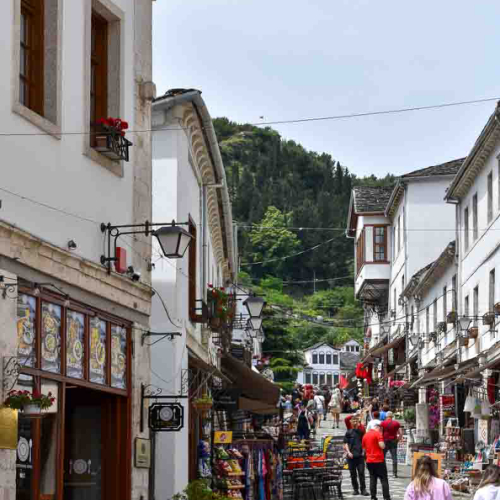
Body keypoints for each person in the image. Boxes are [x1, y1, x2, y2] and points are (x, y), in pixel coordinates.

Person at [362, 420, 391, 500]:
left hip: (369, 460)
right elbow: (382, 446)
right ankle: (386, 497)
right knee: (384, 479)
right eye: (381, 428)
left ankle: (373, 497)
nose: (381, 430)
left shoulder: (365, 435)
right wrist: (383, 443)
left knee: (373, 479)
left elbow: (364, 449)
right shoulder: (378, 434)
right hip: (379, 460)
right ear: (378, 427)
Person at [344, 416, 369, 496]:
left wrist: (364, 451)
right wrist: (348, 452)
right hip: (351, 456)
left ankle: (363, 489)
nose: (355, 422)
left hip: (360, 456)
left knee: (361, 473)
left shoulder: (361, 432)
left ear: (358, 422)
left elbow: (364, 442)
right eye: (353, 421)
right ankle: (355, 489)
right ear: (351, 422)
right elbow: (345, 443)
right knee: (353, 474)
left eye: (356, 421)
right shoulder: (348, 432)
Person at [380, 411, 403, 478]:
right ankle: (394, 473)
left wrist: (380, 440)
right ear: (392, 416)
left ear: (386, 416)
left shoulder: (383, 423)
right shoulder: (396, 423)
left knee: (382, 457)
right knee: (394, 457)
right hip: (393, 441)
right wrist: (398, 439)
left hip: (385, 441)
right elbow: (401, 433)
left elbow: (380, 433)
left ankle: (383, 472)